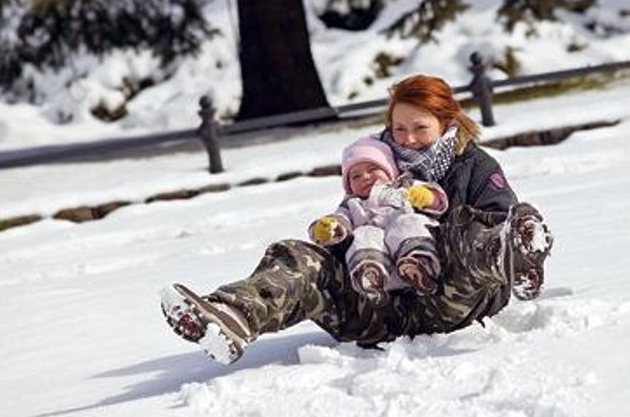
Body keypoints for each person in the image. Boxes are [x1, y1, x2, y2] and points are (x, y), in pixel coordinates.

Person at [161, 74, 554, 364]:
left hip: (449, 300)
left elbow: (495, 217)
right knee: (302, 257)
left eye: (420, 128)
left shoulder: (475, 166)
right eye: (399, 128)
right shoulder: (371, 164)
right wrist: (335, 237)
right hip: (376, 307)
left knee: (457, 230)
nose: (407, 139)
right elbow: (356, 225)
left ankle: (513, 255)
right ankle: (233, 317)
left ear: (447, 123)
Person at [309, 136, 449, 305]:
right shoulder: (352, 203)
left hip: (419, 259)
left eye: (373, 169)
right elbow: (340, 220)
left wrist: (427, 197)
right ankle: (369, 273)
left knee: (407, 222)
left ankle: (420, 262)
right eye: (355, 176)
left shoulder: (405, 186)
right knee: (363, 233)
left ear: (389, 169)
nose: (365, 177)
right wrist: (329, 228)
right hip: (387, 274)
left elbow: (439, 203)